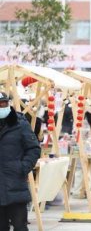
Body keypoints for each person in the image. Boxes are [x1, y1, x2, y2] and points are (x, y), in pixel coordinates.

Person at [0, 92, 41, 231]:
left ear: (8, 103)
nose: (1, 107)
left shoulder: (20, 123)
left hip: (15, 184)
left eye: (3, 103)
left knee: (20, 226)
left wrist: (22, 167)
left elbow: (34, 148)